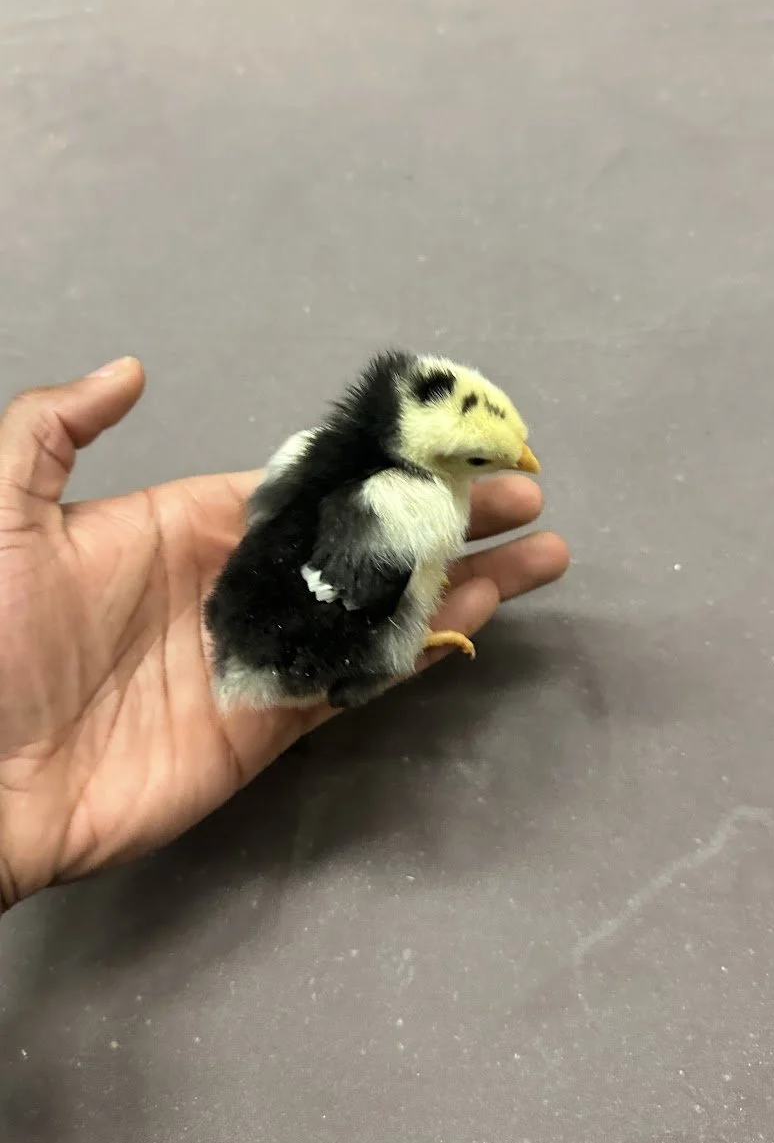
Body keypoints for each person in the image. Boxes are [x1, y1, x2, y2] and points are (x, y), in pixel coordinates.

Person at [0, 358, 569, 912]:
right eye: (479, 460)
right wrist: (355, 653)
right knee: (378, 602)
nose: (524, 461)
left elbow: (269, 523)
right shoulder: (410, 501)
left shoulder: (306, 448)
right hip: (295, 637)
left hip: (246, 613)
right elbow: (353, 600)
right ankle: (348, 676)